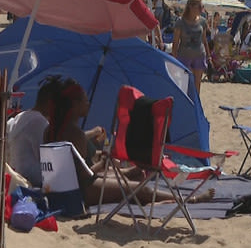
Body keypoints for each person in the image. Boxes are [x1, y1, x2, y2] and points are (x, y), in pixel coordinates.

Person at [44, 78, 210, 206]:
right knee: (140, 189)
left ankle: (136, 180)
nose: (89, 104)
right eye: (85, 101)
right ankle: (190, 200)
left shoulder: (51, 130)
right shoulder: (75, 134)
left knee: (130, 175)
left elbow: (68, 173)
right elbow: (86, 176)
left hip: (58, 188)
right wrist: (103, 163)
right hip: (82, 191)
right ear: (74, 105)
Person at [6, 75, 63, 188]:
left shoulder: (22, 117)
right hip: (33, 183)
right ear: (51, 103)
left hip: (18, 179)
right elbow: (48, 162)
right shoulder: (39, 122)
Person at [171, 0, 211, 95]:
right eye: (200, 6)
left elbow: (204, 40)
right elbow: (175, 42)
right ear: (191, 7)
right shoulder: (180, 22)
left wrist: (209, 56)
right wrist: (174, 58)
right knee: (186, 82)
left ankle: (196, 105)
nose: (202, 9)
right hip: (184, 56)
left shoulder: (202, 21)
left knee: (197, 83)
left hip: (199, 55)